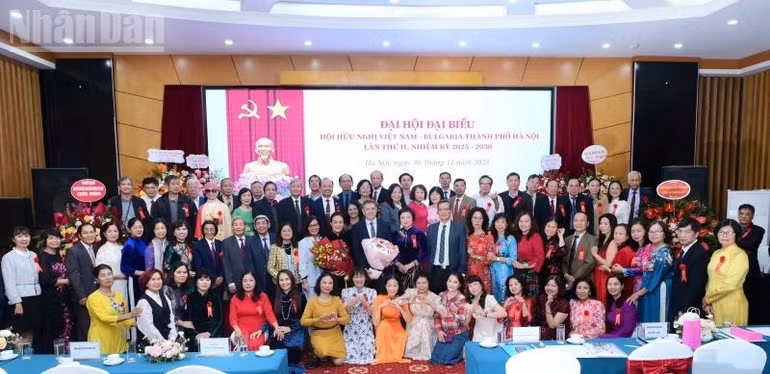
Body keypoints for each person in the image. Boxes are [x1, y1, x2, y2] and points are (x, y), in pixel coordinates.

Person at [623, 221, 673, 323]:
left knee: (656, 320)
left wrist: (637, 294)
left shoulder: (664, 253)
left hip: (658, 290)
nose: (653, 235)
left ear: (664, 234)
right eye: (651, 232)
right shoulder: (650, 249)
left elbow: (656, 278)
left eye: (657, 232)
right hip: (646, 289)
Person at [87, 264, 142, 354]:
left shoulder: (119, 296)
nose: (107, 277)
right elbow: (105, 318)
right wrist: (129, 315)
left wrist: (142, 325)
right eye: (103, 275)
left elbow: (123, 318)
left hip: (119, 343)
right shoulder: (93, 298)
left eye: (109, 274)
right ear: (97, 279)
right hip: (101, 343)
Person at [704, 219, 749, 326]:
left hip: (732, 303)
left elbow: (731, 284)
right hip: (713, 302)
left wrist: (708, 298)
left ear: (736, 235)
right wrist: (708, 301)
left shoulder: (740, 255)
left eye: (728, 232)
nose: (724, 235)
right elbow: (711, 279)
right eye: (721, 232)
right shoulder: (716, 253)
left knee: (730, 339)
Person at [301, 272, 351, 367]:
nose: (327, 285)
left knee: (339, 362)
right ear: (319, 284)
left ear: (333, 286)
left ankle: (326, 355)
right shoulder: (312, 301)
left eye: (330, 283)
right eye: (324, 282)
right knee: (322, 350)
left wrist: (338, 320)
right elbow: (303, 321)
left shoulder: (336, 300)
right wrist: (317, 319)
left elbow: (346, 319)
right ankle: (318, 354)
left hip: (335, 333)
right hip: (319, 334)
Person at [2, 227, 41, 345]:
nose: (24, 239)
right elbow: (9, 282)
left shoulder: (33, 254)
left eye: (26, 235)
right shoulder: (8, 257)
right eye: (19, 236)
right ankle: (22, 357)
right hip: (20, 299)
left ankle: (31, 356)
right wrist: (16, 302)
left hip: (35, 297)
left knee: (34, 330)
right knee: (22, 331)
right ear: (13, 239)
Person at [37, 228, 73, 353]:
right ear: (45, 241)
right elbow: (44, 280)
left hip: (64, 297)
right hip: (50, 299)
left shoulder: (59, 256)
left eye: (57, 238)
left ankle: (65, 353)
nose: (55, 240)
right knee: (52, 327)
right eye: (51, 238)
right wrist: (67, 281)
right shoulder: (42, 257)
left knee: (66, 325)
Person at [669, 219, 709, 322]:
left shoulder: (699, 254)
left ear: (696, 234)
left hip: (689, 310)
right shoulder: (685, 250)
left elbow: (697, 286)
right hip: (679, 304)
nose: (682, 235)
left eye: (687, 232)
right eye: (680, 231)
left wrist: (684, 309)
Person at [229, 272, 280, 350]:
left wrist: (276, 327)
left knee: (254, 344)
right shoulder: (235, 298)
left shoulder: (263, 296)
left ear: (255, 282)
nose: (248, 283)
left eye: (251, 280)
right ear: (241, 283)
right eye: (245, 281)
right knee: (243, 344)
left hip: (259, 330)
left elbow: (269, 314)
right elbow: (233, 318)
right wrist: (237, 330)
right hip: (241, 329)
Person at [736, 204, 768, 324]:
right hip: (733, 270)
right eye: (741, 213)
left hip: (750, 272)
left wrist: (733, 240)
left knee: (748, 302)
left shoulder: (759, 230)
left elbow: (751, 244)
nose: (744, 216)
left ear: (752, 216)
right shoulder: (733, 228)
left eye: (747, 214)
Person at [426, 200, 467, 294]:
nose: (443, 212)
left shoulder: (459, 228)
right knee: (435, 301)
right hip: (434, 271)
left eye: (446, 209)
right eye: (441, 209)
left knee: (451, 302)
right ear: (437, 212)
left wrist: (462, 272)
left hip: (452, 271)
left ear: (450, 211)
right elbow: (428, 250)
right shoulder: (431, 229)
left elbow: (462, 251)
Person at [66, 223, 98, 341]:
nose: (90, 235)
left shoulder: (97, 248)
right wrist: (81, 296)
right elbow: (74, 275)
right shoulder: (73, 251)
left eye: (92, 232)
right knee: (84, 327)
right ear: (79, 235)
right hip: (84, 296)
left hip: (97, 294)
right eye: (86, 233)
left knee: (96, 327)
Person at [402, 273, 443, 361]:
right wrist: (409, 301)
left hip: (429, 324)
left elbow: (443, 311)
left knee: (424, 323)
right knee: (419, 323)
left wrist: (430, 303)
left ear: (429, 283)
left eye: (424, 283)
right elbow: (398, 301)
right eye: (419, 283)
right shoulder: (410, 292)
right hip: (413, 323)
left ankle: (425, 352)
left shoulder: (434, 297)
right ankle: (413, 351)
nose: (421, 286)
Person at [271, 270, 307, 368]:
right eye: (281, 280)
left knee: (292, 358)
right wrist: (277, 329)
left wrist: (290, 328)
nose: (284, 282)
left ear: (292, 280)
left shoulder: (300, 296)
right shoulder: (274, 297)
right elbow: (271, 317)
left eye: (287, 279)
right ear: (278, 282)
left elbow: (305, 319)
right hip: (279, 329)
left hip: (296, 329)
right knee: (278, 356)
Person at [431, 272, 469, 365]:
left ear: (459, 284)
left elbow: (462, 319)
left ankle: (462, 349)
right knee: (435, 359)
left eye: (455, 282)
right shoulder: (441, 296)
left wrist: (450, 311)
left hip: (458, 333)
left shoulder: (462, 298)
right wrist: (439, 331)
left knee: (447, 359)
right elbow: (436, 316)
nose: (451, 284)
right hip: (445, 332)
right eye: (449, 281)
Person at [340, 267, 376, 365]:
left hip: (366, 325)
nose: (359, 279)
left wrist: (365, 303)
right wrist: (351, 303)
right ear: (352, 278)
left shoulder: (372, 292)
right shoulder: (345, 291)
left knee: (368, 353)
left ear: (365, 278)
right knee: (349, 353)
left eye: (361, 277)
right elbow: (343, 313)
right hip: (351, 325)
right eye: (356, 277)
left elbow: (372, 313)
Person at [373, 274, 412, 364]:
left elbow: (409, 320)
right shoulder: (379, 298)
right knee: (384, 325)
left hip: (397, 326)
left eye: (395, 285)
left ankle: (392, 356)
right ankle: (382, 356)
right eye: (389, 286)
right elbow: (375, 322)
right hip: (383, 326)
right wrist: (380, 307)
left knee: (401, 336)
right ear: (385, 286)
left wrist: (400, 308)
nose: (392, 288)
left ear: (399, 286)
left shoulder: (401, 298)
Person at [136, 269, 177, 344]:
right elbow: (147, 328)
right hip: (151, 345)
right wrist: (164, 344)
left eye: (159, 279)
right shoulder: (143, 302)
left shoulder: (164, 297)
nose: (157, 282)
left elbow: (171, 320)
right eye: (153, 279)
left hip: (168, 343)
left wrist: (172, 340)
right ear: (146, 283)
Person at [351, 200, 393, 272]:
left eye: (373, 209)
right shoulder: (357, 227)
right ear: (363, 211)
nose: (370, 211)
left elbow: (390, 245)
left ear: (377, 210)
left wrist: (384, 263)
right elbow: (356, 249)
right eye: (367, 209)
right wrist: (366, 267)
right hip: (365, 269)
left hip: (383, 268)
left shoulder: (385, 225)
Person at [222, 217, 259, 296]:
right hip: (235, 282)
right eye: (235, 225)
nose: (238, 227)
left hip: (251, 281)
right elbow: (226, 263)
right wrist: (230, 282)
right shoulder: (226, 242)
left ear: (245, 226)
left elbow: (256, 260)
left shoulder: (252, 240)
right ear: (232, 227)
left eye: (241, 225)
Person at [392, 208, 428, 289]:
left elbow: (425, 252)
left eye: (408, 217)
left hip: (414, 269)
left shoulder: (419, 233)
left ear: (413, 218)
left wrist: (411, 264)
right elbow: (391, 251)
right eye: (402, 217)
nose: (405, 220)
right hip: (398, 268)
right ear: (399, 219)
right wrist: (398, 265)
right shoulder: (395, 233)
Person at [164, 262, 195, 350]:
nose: (182, 275)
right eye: (179, 272)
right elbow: (165, 314)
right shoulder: (166, 289)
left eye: (185, 272)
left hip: (182, 329)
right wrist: (182, 323)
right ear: (172, 273)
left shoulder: (184, 289)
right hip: (169, 329)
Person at [512, 212, 545, 297]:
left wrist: (523, 266)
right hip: (517, 272)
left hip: (530, 274)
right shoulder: (516, 236)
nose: (523, 224)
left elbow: (540, 258)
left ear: (531, 223)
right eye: (521, 221)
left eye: (526, 221)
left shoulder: (535, 236)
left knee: (529, 301)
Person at [563, 213, 598, 290]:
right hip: (566, 281)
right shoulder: (567, 239)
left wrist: (574, 278)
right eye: (576, 220)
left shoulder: (592, 240)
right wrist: (565, 274)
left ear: (588, 223)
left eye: (582, 221)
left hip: (584, 282)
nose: (579, 223)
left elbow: (590, 262)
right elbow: (563, 260)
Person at [467, 275, 506, 342]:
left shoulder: (489, 298)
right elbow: (466, 323)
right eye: (470, 286)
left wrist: (484, 314)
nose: (473, 288)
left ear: (481, 285)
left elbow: (504, 313)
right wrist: (468, 312)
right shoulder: (470, 301)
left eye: (475, 284)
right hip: (478, 335)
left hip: (492, 335)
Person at [97, 222, 128, 305]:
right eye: (109, 231)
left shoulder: (122, 247)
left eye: (115, 231)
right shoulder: (102, 250)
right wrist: (117, 276)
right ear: (104, 234)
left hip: (126, 284)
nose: (113, 234)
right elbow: (100, 271)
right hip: (112, 285)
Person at [188, 270, 223, 342]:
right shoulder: (190, 298)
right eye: (201, 280)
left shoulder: (215, 297)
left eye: (208, 280)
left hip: (212, 333)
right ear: (196, 282)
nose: (205, 282)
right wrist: (196, 335)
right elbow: (188, 320)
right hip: (195, 334)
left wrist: (209, 333)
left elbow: (218, 319)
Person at [466, 207, 495, 293]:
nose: (477, 221)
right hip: (469, 273)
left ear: (484, 220)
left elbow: (490, 259)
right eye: (475, 218)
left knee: (483, 301)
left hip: (483, 275)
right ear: (470, 219)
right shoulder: (468, 237)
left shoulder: (488, 237)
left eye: (480, 218)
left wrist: (474, 256)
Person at [489, 214, 517, 304]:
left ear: (507, 224)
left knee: (504, 294)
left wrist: (496, 258)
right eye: (497, 222)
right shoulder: (491, 238)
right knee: (493, 294)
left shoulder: (510, 238)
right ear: (494, 223)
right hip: (492, 271)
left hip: (505, 272)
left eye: (502, 222)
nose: (500, 224)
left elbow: (513, 259)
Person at [192, 220, 224, 296]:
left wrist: (221, 276)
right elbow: (198, 265)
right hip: (205, 282)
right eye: (206, 229)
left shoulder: (221, 244)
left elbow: (224, 263)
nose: (209, 232)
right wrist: (212, 279)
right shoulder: (197, 245)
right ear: (203, 231)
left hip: (220, 283)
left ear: (215, 230)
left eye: (211, 229)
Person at [591, 214, 618, 305]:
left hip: (605, 275)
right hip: (599, 274)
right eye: (601, 223)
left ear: (612, 225)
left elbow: (608, 263)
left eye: (605, 224)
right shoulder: (602, 240)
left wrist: (595, 254)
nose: (602, 226)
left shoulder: (612, 241)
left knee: (604, 300)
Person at [534, 275, 570, 340]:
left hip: (557, 337)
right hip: (540, 335)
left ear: (559, 288)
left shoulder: (564, 303)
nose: (549, 288)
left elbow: (552, 325)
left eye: (553, 286)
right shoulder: (541, 298)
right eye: (547, 285)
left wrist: (547, 305)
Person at [298, 216, 324, 299]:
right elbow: (302, 263)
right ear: (307, 228)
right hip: (310, 282)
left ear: (319, 226)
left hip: (324, 280)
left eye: (316, 225)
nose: (314, 228)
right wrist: (304, 281)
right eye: (311, 226)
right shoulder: (303, 242)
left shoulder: (323, 240)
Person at [610, 224, 637, 298]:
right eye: (615, 233)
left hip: (623, 290)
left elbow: (618, 273)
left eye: (621, 234)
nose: (617, 236)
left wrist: (606, 268)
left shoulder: (624, 252)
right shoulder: (628, 249)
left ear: (627, 237)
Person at [540, 219, 567, 290]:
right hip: (541, 274)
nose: (550, 229)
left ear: (557, 229)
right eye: (548, 226)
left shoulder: (558, 242)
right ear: (544, 227)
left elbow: (563, 252)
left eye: (553, 227)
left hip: (554, 277)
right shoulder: (540, 240)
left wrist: (561, 236)